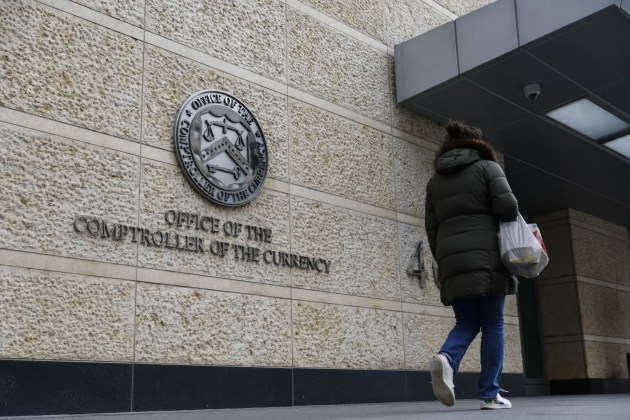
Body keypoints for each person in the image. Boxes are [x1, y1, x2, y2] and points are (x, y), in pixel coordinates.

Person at [425, 120, 518, 410]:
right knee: (492, 323)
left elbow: (431, 228)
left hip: (451, 259)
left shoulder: (435, 182)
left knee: (466, 321)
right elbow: (509, 208)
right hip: (487, 256)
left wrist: (446, 260)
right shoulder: (488, 168)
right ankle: (490, 394)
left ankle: (447, 358)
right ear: (477, 143)